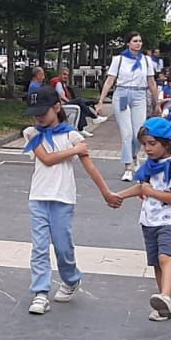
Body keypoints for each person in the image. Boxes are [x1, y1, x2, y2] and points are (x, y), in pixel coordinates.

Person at [18, 90, 112, 316]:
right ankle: (40, 292)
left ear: (57, 107)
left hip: (62, 198)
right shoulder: (32, 133)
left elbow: (89, 166)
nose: (38, 117)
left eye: (43, 111)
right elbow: (47, 159)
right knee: (39, 247)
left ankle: (71, 278)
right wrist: (74, 150)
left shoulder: (72, 136)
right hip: (39, 197)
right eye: (35, 113)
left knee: (63, 246)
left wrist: (106, 192)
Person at [109, 118, 171, 322]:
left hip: (168, 220)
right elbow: (141, 187)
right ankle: (162, 301)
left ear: (166, 142)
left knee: (166, 257)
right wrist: (120, 195)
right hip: (148, 220)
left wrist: (151, 192)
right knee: (155, 262)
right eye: (145, 144)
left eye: (152, 143)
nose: (147, 148)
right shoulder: (150, 165)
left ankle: (166, 296)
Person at [95, 33, 160, 182]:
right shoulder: (119, 60)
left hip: (139, 95)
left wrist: (157, 102)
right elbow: (110, 80)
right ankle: (128, 166)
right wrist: (101, 101)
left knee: (139, 132)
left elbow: (151, 82)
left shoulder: (146, 60)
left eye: (140, 41)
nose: (138, 44)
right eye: (135, 41)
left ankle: (134, 155)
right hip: (122, 93)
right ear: (128, 43)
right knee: (126, 133)